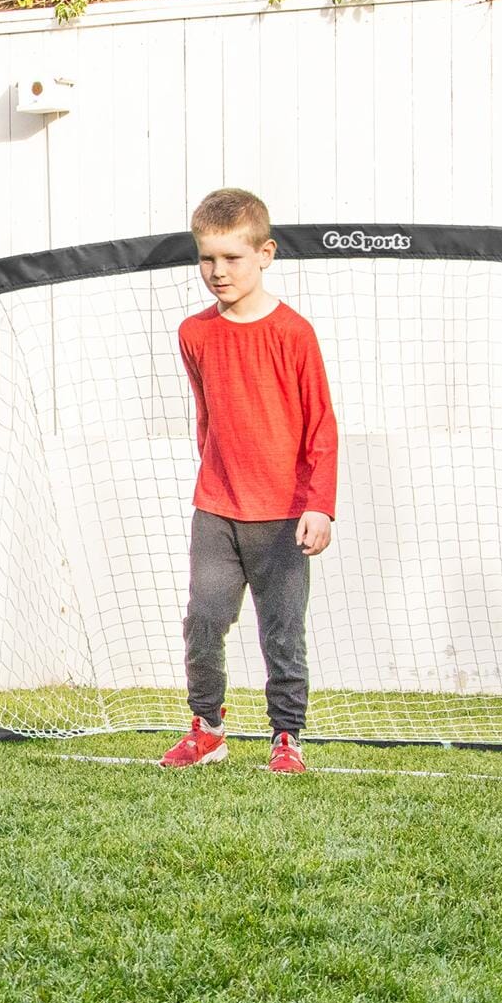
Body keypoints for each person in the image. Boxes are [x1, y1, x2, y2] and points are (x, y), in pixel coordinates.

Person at [162, 187, 337, 776]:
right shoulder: (194, 333)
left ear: (265, 254)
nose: (218, 271)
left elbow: (321, 425)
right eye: (207, 258)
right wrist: (216, 478)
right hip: (216, 510)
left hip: (284, 515)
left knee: (282, 632)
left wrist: (320, 505)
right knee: (204, 620)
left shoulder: (294, 333)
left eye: (232, 258)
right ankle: (207, 729)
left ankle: (286, 736)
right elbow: (207, 416)